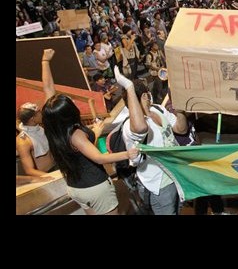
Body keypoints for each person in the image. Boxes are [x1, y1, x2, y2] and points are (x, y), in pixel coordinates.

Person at [40, 49, 138, 215]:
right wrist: (128, 154)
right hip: (95, 187)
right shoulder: (76, 135)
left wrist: (45, 61)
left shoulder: (52, 126)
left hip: (75, 187)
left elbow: (48, 88)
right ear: (69, 113)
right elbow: (99, 158)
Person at [114, 67, 187, 215]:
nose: (149, 95)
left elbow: (181, 129)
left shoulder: (158, 109)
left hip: (176, 173)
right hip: (160, 182)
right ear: (143, 96)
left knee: (177, 210)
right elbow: (141, 128)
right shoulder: (130, 125)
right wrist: (129, 88)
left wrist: (180, 109)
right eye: (147, 93)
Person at [16, 102, 55, 177]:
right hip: (43, 175)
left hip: (55, 168)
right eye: (39, 113)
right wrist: (53, 177)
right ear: (32, 119)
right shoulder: (23, 141)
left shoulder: (40, 129)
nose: (42, 114)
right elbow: (29, 171)